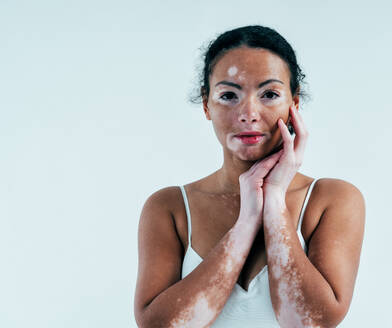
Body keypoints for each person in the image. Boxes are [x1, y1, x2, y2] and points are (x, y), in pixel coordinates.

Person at [133, 25, 365, 328]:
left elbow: (309, 323)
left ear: (294, 103)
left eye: (269, 94)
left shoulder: (331, 200)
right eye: (229, 95)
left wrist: (275, 199)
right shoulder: (169, 207)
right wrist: (245, 223)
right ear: (206, 104)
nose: (249, 113)